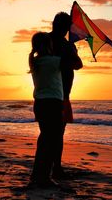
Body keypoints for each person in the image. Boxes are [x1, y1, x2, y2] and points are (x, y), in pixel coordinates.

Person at [49, 12, 83, 178]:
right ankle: (54, 168)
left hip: (60, 93)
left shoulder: (66, 44)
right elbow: (77, 64)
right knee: (54, 133)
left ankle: (54, 167)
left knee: (54, 132)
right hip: (56, 93)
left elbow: (78, 64)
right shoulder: (51, 42)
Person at [28, 32, 64, 188]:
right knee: (52, 140)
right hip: (53, 103)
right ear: (47, 45)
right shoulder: (55, 61)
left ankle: (38, 175)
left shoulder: (35, 61)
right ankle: (43, 177)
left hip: (40, 103)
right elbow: (78, 64)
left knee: (45, 139)